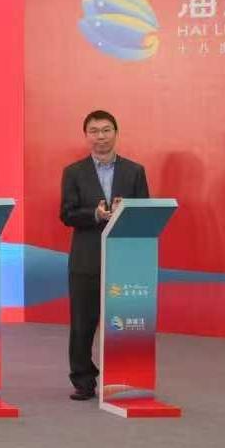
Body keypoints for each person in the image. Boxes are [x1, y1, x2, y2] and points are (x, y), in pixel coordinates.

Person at [60, 109, 150, 401]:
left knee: (124, 321)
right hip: (86, 258)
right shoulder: (74, 172)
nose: (101, 136)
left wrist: (127, 211)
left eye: (106, 130)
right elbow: (67, 214)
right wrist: (95, 214)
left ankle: (123, 377)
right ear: (86, 136)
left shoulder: (134, 171)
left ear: (116, 133)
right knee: (82, 324)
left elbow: (146, 213)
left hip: (124, 259)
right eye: (94, 131)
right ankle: (83, 381)